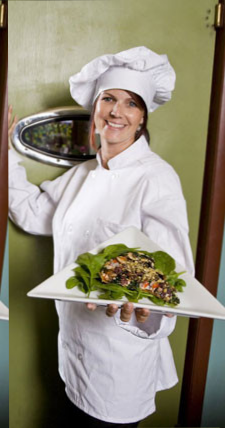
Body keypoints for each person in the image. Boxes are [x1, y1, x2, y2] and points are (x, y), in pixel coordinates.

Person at [9, 46, 194, 427]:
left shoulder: (155, 178)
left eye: (130, 103)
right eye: (108, 98)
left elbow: (173, 274)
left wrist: (145, 310)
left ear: (142, 117)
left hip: (119, 359)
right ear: (95, 108)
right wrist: (2, 153)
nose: (116, 111)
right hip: (76, 350)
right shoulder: (83, 175)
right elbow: (31, 213)